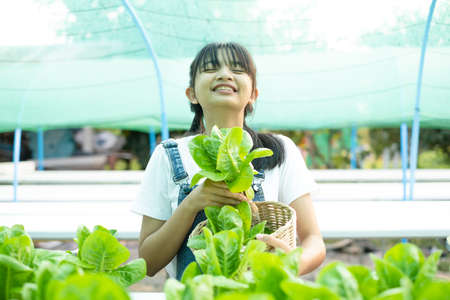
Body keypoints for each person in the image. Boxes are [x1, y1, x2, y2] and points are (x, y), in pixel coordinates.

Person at [131, 42, 326, 280]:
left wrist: (293, 263)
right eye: (211, 69)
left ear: (254, 93)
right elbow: (148, 262)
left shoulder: (279, 151)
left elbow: (313, 240)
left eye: (237, 69)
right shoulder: (168, 156)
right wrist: (192, 204)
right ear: (191, 93)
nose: (225, 74)